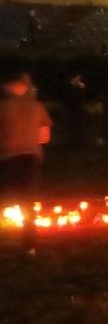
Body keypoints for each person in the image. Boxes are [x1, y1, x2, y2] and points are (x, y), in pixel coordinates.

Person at [0, 73, 52, 255]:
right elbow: (44, 137)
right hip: (31, 157)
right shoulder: (38, 107)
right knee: (28, 201)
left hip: (7, 157)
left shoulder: (3, 108)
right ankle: (30, 245)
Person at [63, 74, 88, 149]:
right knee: (71, 127)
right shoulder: (68, 87)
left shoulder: (79, 87)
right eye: (77, 78)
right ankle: (70, 143)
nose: (78, 80)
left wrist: (83, 88)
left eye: (79, 78)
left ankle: (78, 143)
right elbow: (67, 98)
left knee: (78, 127)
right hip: (71, 110)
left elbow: (83, 97)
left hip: (78, 110)